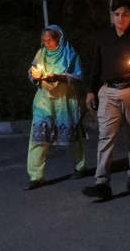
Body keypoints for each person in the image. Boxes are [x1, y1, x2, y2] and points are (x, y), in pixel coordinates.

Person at [82, 0, 130, 200]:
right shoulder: (104, 37)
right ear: (111, 16)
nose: (120, 18)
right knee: (105, 135)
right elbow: (96, 65)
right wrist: (91, 90)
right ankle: (102, 183)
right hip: (108, 91)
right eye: (116, 14)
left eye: (125, 14)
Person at [25, 25, 87, 190]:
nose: (47, 44)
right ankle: (36, 176)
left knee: (73, 135)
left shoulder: (69, 53)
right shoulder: (41, 53)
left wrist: (58, 77)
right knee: (37, 138)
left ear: (59, 38)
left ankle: (81, 167)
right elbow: (31, 72)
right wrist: (35, 75)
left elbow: (77, 76)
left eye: (50, 40)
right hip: (43, 102)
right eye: (44, 41)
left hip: (64, 101)